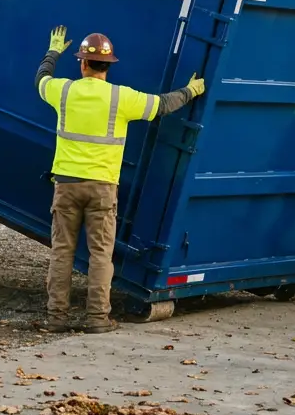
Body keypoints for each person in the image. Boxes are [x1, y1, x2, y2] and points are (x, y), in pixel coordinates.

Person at [35, 26, 205, 333]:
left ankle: (56, 318)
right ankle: (97, 319)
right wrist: (191, 91)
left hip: (67, 186)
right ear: (109, 65)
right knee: (100, 255)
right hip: (102, 189)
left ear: (82, 63)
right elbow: (163, 105)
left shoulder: (64, 91)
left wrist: (53, 52)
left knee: (62, 252)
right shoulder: (121, 97)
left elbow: (41, 80)